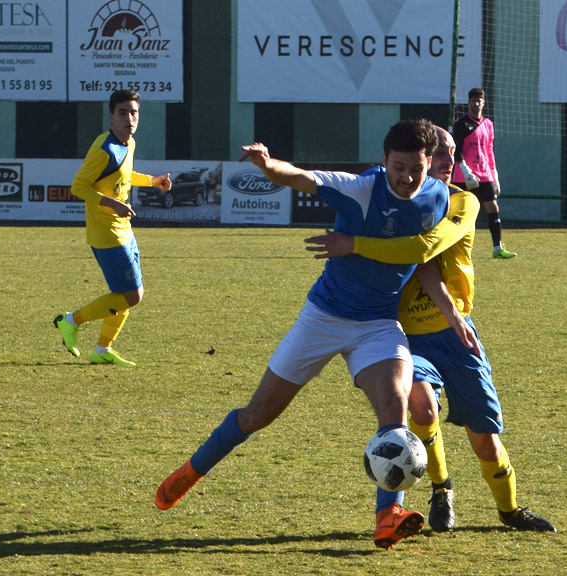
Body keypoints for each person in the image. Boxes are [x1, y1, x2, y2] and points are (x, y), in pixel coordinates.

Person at [155, 119, 466, 550]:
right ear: (384, 161)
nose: (407, 177)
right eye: (398, 167)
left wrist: (450, 311)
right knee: (257, 415)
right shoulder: (360, 188)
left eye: (415, 167)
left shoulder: (437, 197)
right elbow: (301, 177)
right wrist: (267, 166)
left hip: (377, 325)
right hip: (323, 318)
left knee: (394, 412)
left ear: (428, 162)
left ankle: (387, 516)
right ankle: (190, 471)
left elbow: (423, 258)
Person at [306, 126, 556, 534]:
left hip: (456, 333)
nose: (447, 160)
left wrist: (354, 244)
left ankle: (510, 510)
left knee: (485, 438)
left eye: (452, 153)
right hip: (405, 333)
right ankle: (442, 489)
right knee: (420, 407)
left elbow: (422, 251)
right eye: (439, 153)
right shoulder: (394, 203)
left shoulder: (463, 201)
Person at [53, 90, 171, 367]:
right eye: (123, 112)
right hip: (106, 234)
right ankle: (70, 321)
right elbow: (78, 186)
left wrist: (153, 181)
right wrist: (112, 204)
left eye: (134, 112)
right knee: (133, 295)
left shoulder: (127, 143)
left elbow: (124, 175)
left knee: (125, 295)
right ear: (111, 116)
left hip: (124, 229)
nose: (129, 118)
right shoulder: (103, 149)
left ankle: (102, 350)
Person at [452, 87, 516, 259]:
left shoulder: (488, 124)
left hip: (484, 174)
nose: (476, 103)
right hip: (463, 176)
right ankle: (453, 249)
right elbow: (456, 151)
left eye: (479, 100)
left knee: (492, 207)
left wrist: (495, 176)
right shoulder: (461, 124)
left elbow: (489, 150)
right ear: (469, 102)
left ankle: (497, 248)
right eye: (473, 100)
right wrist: (465, 171)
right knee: (460, 212)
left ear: (484, 102)